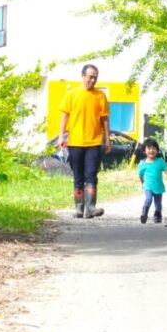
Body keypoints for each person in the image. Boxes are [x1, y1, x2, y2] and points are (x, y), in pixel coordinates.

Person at [58, 64, 111, 218]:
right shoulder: (72, 94)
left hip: (94, 143)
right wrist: (61, 136)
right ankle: (79, 208)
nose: (93, 80)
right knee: (78, 175)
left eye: (95, 77)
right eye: (90, 77)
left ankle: (91, 208)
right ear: (83, 76)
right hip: (75, 142)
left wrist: (107, 139)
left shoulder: (100, 96)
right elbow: (65, 116)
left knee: (91, 175)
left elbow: (105, 119)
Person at [137, 138, 167, 224]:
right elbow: (140, 176)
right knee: (148, 199)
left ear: (157, 150)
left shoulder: (160, 161)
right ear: (144, 150)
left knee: (158, 204)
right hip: (148, 186)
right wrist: (143, 184)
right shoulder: (142, 164)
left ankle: (157, 215)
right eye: (149, 148)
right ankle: (144, 214)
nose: (151, 151)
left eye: (154, 148)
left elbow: (166, 171)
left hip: (158, 186)